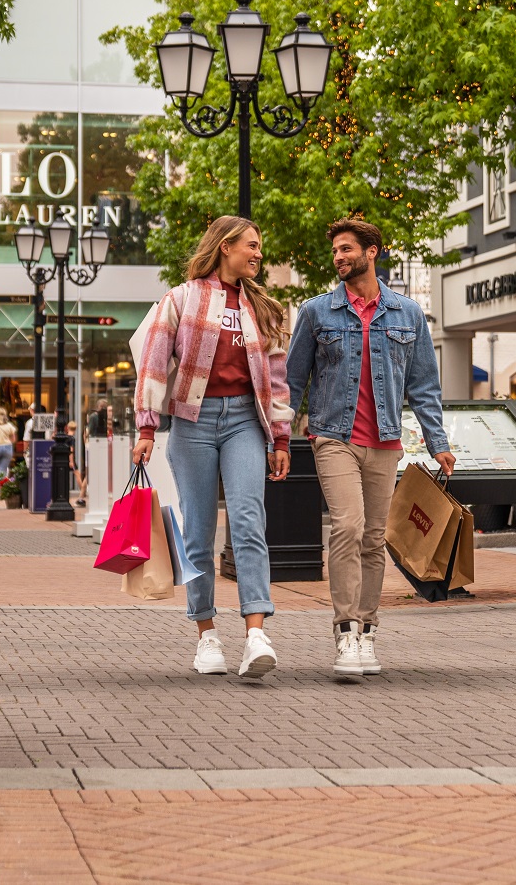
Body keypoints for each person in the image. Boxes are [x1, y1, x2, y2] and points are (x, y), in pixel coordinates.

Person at [286, 216, 454, 681]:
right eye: (335, 251)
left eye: (346, 249)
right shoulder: (317, 312)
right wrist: (281, 435)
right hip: (333, 437)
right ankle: (343, 631)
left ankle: (366, 629)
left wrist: (437, 442)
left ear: (371, 251)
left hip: (384, 442)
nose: (339, 257)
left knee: (375, 538)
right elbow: (293, 380)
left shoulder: (408, 314)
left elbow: (424, 385)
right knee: (349, 525)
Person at [133, 215, 291, 680]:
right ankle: (206, 635)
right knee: (198, 533)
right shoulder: (181, 299)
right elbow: (154, 364)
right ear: (225, 247)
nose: (259, 253)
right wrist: (146, 429)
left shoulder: (264, 308)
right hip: (192, 424)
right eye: (252, 245)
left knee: (248, 521)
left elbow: (277, 379)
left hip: (246, 420)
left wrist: (280, 438)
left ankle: (256, 634)